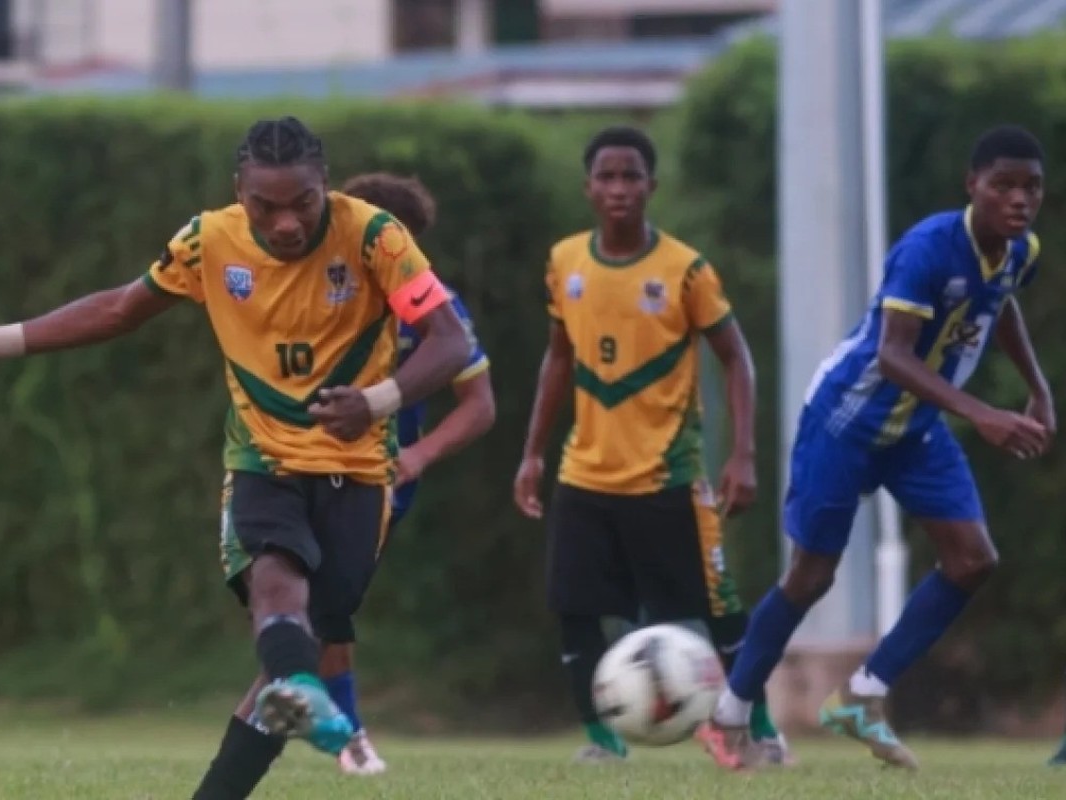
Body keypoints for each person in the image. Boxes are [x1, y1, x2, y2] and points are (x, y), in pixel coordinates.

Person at [0, 116, 472, 799]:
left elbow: (450, 341)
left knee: (299, 650)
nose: (286, 222)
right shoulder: (208, 239)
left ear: (324, 185)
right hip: (263, 460)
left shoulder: (375, 235)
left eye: (301, 202)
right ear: (237, 190)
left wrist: (378, 400)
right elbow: (122, 309)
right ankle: (304, 690)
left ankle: (284, 707)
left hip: (359, 471)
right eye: (264, 205)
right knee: (276, 586)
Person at [704, 125, 1053, 771]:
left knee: (973, 560)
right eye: (1002, 185)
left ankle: (863, 695)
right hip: (846, 419)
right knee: (811, 577)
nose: (1019, 199)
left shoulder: (1017, 251)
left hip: (915, 429)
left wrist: (1038, 389)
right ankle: (729, 715)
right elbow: (892, 356)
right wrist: (983, 414)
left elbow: (999, 306)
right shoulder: (927, 248)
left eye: (1031, 187)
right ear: (971, 186)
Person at [513, 125, 787, 764]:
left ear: (650, 186)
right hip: (585, 475)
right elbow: (557, 359)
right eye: (605, 177)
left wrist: (742, 454)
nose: (618, 189)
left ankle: (760, 734)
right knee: (575, 613)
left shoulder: (685, 270)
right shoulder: (564, 262)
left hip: (668, 477)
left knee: (718, 613)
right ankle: (604, 743)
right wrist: (531, 452)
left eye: (630, 176)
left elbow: (735, 358)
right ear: (588, 189)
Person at [221, 172, 496, 779]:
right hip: (283, 468)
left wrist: (418, 456)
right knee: (300, 612)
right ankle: (340, 730)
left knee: (317, 615)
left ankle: (312, 718)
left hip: (374, 479)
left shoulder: (433, 307)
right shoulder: (302, 282)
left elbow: (480, 404)